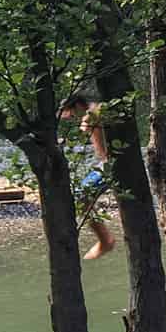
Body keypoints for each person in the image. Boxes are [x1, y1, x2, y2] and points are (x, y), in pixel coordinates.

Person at [59, 96, 116, 261]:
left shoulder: (91, 113)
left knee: (80, 196)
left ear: (77, 105)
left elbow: (81, 134)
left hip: (109, 165)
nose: (74, 118)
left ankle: (105, 240)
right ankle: (104, 239)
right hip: (106, 163)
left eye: (72, 113)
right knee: (80, 194)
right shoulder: (97, 109)